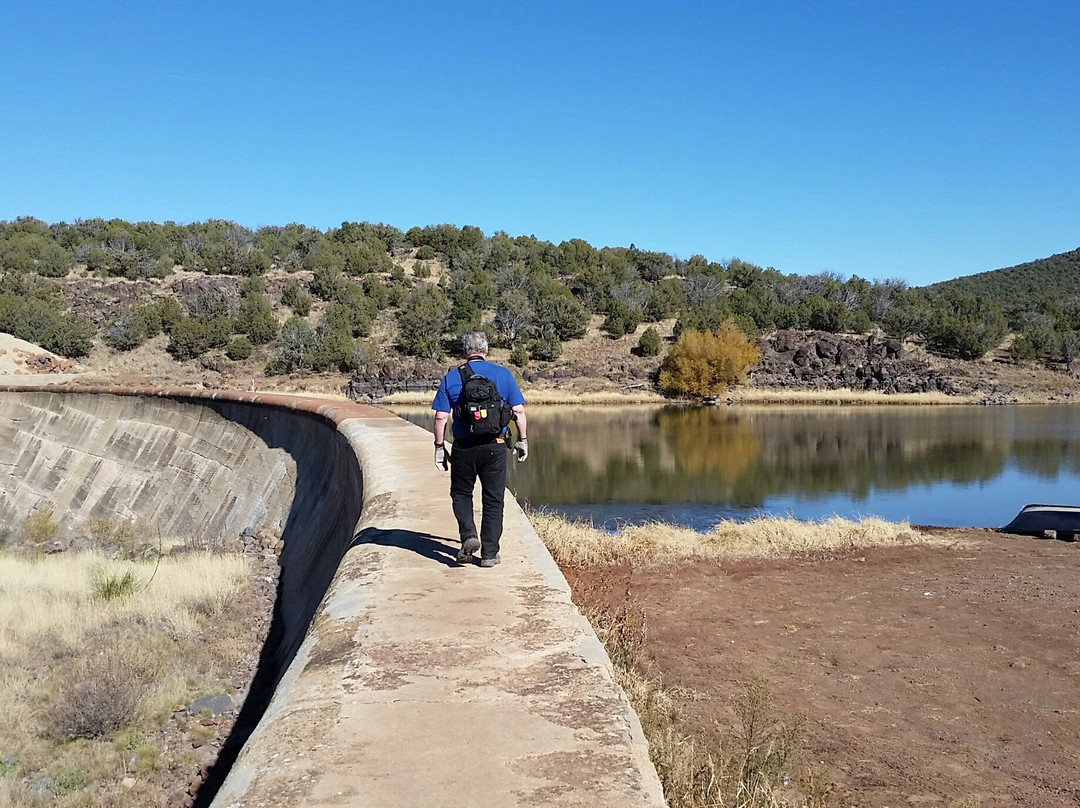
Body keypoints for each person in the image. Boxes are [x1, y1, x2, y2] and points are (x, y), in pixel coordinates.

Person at [431, 330, 528, 567]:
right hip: (495, 447)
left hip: (464, 448)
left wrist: (439, 446)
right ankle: (489, 554)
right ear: (486, 350)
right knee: (493, 500)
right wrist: (522, 439)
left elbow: (441, 418)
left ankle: (469, 536)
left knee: (461, 494)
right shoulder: (503, 375)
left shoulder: (452, 378)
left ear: (464, 351)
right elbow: (519, 412)